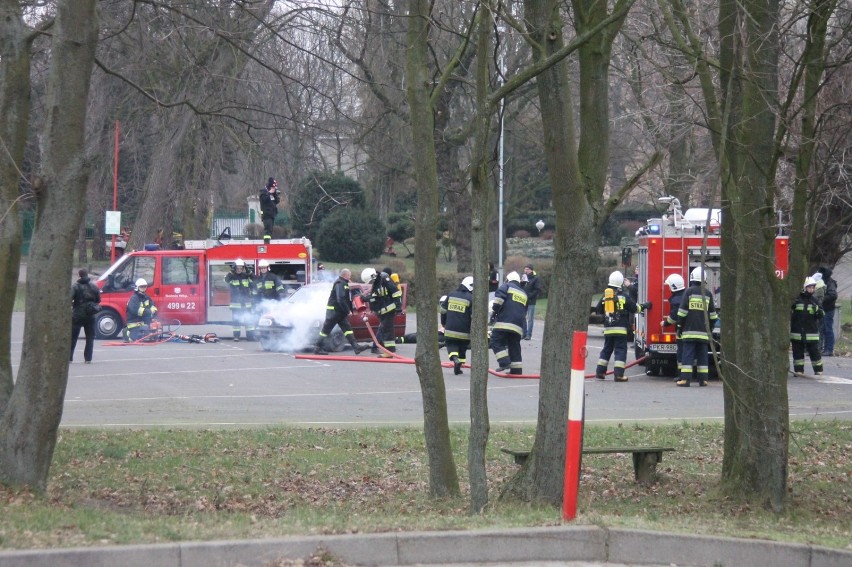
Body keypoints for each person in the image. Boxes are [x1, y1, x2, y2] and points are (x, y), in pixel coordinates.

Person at [595, 270, 650, 382]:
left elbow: (597, 310)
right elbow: (635, 308)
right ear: (620, 283)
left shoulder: (605, 297)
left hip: (608, 329)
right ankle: (619, 375)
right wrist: (645, 306)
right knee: (620, 350)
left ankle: (600, 372)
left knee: (606, 349)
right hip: (620, 330)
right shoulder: (624, 296)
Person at [673, 267, 718, 387]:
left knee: (687, 355)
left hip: (689, 332)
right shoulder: (707, 294)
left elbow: (682, 312)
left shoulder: (688, 292)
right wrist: (710, 329)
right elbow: (713, 316)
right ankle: (703, 380)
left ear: (692, 278)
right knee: (703, 356)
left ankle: (685, 379)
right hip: (703, 333)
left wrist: (679, 327)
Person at [313, 269, 370, 355]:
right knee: (326, 330)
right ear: (345, 275)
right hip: (334, 312)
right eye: (349, 275)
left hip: (339, 312)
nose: (350, 277)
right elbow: (341, 299)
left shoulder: (343, 283)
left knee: (347, 329)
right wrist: (347, 310)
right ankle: (317, 348)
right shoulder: (340, 283)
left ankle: (356, 347)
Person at [490, 271, 527, 374]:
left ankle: (504, 362)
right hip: (518, 325)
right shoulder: (524, 293)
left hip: (504, 322)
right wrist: (524, 328)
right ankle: (516, 369)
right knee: (514, 345)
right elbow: (524, 312)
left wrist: (494, 313)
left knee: (495, 341)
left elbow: (498, 300)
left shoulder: (506, 286)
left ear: (508, 279)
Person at [363, 267, 400, 357]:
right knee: (385, 330)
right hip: (382, 310)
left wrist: (398, 306)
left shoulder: (384, 279)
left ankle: (388, 352)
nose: (371, 283)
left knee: (387, 330)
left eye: (371, 281)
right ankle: (389, 351)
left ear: (373, 276)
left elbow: (395, 292)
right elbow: (376, 297)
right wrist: (367, 298)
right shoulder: (377, 282)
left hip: (389, 309)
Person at [440, 276, 474, 375]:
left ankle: (455, 359)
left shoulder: (451, 295)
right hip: (465, 332)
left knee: (451, 345)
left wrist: (444, 323)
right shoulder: (471, 298)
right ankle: (458, 368)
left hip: (450, 329)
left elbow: (443, 310)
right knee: (462, 348)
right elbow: (473, 316)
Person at [791, 277, 824, 376]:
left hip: (811, 332)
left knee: (814, 352)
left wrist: (817, 310)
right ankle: (799, 370)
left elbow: (822, 314)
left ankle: (818, 370)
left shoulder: (814, 301)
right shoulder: (796, 300)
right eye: (810, 287)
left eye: (813, 288)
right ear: (804, 288)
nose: (812, 290)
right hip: (797, 332)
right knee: (798, 353)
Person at [70, 268, 101, 363]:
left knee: (73, 337)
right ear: (87, 275)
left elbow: (69, 298)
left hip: (78, 315)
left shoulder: (75, 286)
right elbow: (98, 300)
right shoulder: (94, 286)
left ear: (79, 275)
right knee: (90, 337)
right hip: (91, 315)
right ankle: (88, 359)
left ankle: (69, 358)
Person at [660, 274, 685, 378]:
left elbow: (674, 316)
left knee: (682, 353)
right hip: (692, 329)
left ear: (673, 287)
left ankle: (681, 375)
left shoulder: (676, 300)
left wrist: (665, 323)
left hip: (682, 331)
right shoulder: (686, 295)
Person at [225, 258, 255, 342]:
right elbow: (226, 280)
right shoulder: (231, 277)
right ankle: (236, 336)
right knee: (236, 321)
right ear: (234, 268)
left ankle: (250, 337)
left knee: (248, 320)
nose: (239, 270)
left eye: (241, 268)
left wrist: (248, 271)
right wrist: (231, 271)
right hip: (236, 304)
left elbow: (255, 279)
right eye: (237, 268)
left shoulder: (246, 276)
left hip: (246, 303)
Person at [817, 266, 837, 356]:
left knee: (827, 329)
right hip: (822, 308)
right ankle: (821, 348)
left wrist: (822, 299)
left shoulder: (830, 283)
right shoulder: (823, 281)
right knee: (821, 329)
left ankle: (829, 349)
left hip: (828, 309)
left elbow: (833, 295)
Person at [521, 264, 542, 341]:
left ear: (531, 270)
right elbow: (520, 286)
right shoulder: (523, 277)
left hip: (531, 301)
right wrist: (522, 282)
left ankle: (528, 335)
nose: (526, 271)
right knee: (522, 317)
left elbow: (537, 289)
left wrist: (530, 296)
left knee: (530, 318)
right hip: (523, 300)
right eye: (525, 269)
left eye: (527, 269)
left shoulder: (535, 278)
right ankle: (524, 333)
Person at [259, 177, 280, 244]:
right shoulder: (263, 192)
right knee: (267, 230)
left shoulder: (272, 193)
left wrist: (274, 194)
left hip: (272, 214)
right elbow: (264, 200)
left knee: (270, 230)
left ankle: (268, 242)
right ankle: (266, 243)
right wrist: (269, 193)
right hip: (266, 215)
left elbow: (277, 201)